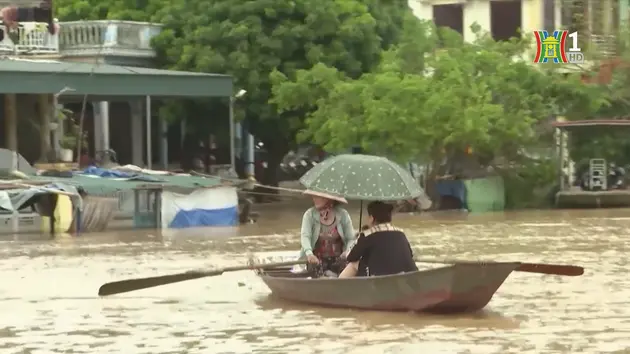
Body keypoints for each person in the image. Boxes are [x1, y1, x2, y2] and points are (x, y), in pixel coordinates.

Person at [339, 201, 417, 278]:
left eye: (368, 216)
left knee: (354, 264)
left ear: (372, 218)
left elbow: (350, 257)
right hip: (409, 276)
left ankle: (339, 286)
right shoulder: (401, 233)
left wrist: (359, 238)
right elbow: (410, 254)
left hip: (379, 278)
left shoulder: (367, 235)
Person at [299, 190, 355, 276]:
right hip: (316, 260)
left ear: (329, 199)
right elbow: (305, 236)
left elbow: (351, 238)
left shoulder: (343, 214)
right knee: (316, 270)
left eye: (318, 196)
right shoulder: (309, 215)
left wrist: (348, 251)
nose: (314, 199)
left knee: (348, 269)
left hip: (339, 259)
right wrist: (309, 253)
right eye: (313, 196)